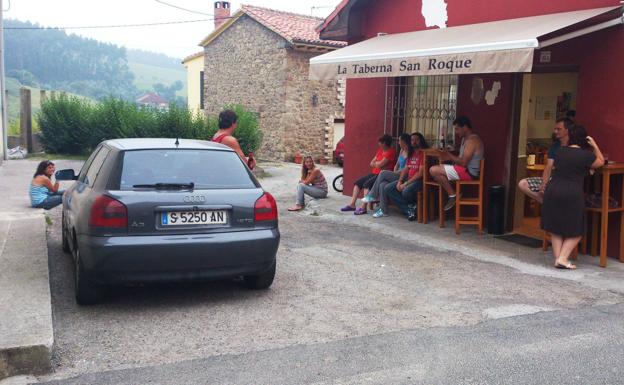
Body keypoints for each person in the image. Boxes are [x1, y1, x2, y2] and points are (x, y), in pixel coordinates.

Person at [541, 125, 604, 269]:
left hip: (553, 189)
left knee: (555, 227)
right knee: (578, 229)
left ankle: (558, 259)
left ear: (569, 137)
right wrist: (594, 145)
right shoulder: (585, 155)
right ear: (584, 139)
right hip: (571, 192)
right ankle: (563, 258)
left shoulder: (560, 151)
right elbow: (600, 161)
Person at [429, 116, 484, 211]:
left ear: (465, 127)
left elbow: (463, 162)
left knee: (433, 170)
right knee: (438, 170)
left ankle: (453, 195)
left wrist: (449, 155)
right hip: (463, 170)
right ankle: (452, 194)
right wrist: (447, 157)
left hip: (469, 173)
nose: (456, 132)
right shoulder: (465, 139)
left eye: (457, 129)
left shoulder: (472, 141)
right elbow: (460, 160)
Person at [518, 117, 572, 204]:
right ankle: (545, 202)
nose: (555, 132)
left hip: (565, 182)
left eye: (559, 129)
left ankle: (550, 203)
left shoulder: (574, 146)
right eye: (555, 129)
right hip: (552, 179)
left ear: (567, 130)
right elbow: (549, 166)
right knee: (522, 184)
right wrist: (544, 184)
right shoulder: (555, 146)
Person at [375, 133, 429, 219]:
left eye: (416, 139)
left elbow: (420, 174)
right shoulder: (411, 153)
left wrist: (405, 183)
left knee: (405, 191)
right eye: (412, 140)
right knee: (388, 188)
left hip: (419, 181)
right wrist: (400, 181)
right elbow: (406, 169)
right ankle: (409, 209)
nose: (414, 142)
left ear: (421, 140)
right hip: (408, 179)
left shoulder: (424, 154)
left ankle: (410, 209)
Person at [340, 134, 396, 215]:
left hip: (381, 175)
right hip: (374, 173)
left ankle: (363, 208)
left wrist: (377, 164)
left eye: (380, 142)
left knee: (366, 184)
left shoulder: (391, 152)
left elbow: (379, 164)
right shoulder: (380, 151)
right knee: (357, 183)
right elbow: (372, 163)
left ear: (384, 143)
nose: (379, 144)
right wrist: (378, 164)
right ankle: (352, 205)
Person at [361, 133, 411, 204]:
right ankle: (383, 210)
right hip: (396, 173)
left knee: (383, 172)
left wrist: (396, 173)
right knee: (382, 185)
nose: (398, 142)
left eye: (399, 141)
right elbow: (396, 164)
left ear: (404, 141)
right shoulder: (401, 150)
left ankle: (372, 195)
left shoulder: (410, 153)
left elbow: (406, 169)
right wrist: (394, 172)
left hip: (403, 175)